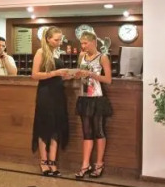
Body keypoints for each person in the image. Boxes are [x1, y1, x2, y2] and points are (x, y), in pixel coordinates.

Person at [31, 27, 73, 176]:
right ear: (48, 39)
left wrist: (67, 75)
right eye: (56, 39)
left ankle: (53, 162)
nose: (59, 42)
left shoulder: (57, 52)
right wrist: (55, 73)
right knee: (44, 127)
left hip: (58, 93)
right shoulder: (41, 52)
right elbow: (35, 75)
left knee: (56, 127)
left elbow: (57, 75)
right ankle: (44, 162)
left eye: (60, 39)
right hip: (45, 93)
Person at [74, 32, 113, 178]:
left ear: (93, 42)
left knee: (99, 130)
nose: (83, 46)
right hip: (84, 97)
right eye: (81, 43)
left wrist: (92, 75)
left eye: (85, 43)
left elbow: (108, 79)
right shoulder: (81, 56)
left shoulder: (102, 57)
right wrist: (76, 74)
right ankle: (85, 164)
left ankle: (99, 163)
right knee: (87, 132)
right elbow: (79, 73)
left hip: (97, 97)